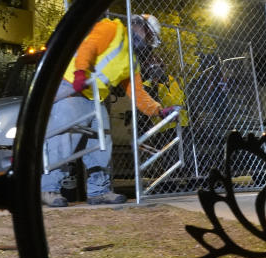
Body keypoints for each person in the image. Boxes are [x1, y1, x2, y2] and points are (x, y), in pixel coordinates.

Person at [41, 14, 176, 207]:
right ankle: (48, 189)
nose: (146, 42)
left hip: (94, 98)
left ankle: (99, 191)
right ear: (139, 26)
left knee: (102, 142)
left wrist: (158, 111)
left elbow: (138, 93)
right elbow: (87, 47)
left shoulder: (132, 61)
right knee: (64, 139)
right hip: (71, 87)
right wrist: (80, 72)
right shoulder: (112, 29)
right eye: (148, 36)